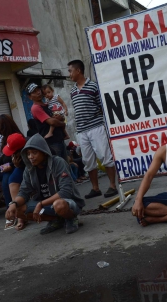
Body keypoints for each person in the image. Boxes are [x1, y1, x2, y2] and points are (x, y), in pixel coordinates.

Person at [5, 134, 85, 234]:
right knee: (17, 210)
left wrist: (41, 204)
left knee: (59, 205)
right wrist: (13, 204)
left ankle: (71, 219)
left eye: (34, 153)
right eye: (28, 154)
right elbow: (23, 192)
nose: (31, 157)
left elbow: (65, 192)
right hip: (45, 204)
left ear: (44, 152)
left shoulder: (58, 162)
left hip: (67, 202)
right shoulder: (29, 169)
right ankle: (56, 220)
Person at [68, 59, 118, 199]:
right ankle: (95, 188)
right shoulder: (72, 91)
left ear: (78, 70)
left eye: (70, 70)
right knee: (88, 161)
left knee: (105, 156)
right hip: (82, 131)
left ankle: (112, 185)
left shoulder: (93, 86)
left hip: (96, 127)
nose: (69, 74)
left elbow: (102, 107)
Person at [26, 83, 68, 159]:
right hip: (52, 143)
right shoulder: (36, 108)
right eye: (34, 92)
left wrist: (61, 118)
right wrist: (62, 123)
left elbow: (59, 117)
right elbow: (52, 122)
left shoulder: (47, 104)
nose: (38, 92)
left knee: (65, 166)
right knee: (59, 167)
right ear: (30, 97)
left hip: (59, 140)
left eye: (38, 90)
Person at [1, 133, 27, 229]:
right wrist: (12, 165)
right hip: (17, 166)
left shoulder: (30, 150)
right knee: (11, 179)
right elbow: (5, 159)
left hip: (33, 167)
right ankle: (19, 215)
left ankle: (19, 215)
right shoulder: (16, 153)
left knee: (9, 178)